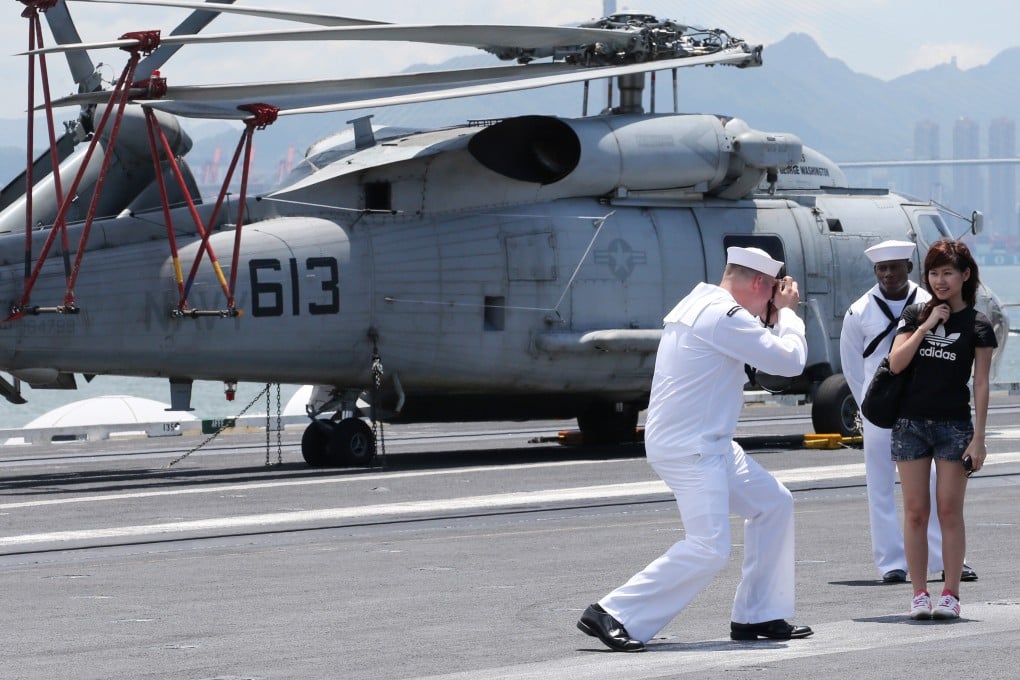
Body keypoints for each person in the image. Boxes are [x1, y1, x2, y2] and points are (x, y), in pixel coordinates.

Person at [577, 246, 812, 652]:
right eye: (772, 290)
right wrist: (788, 312)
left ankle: (757, 614)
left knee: (774, 503)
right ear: (759, 282)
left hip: (711, 443)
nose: (772, 299)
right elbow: (790, 362)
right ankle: (613, 613)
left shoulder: (704, 302)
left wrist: (771, 318)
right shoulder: (724, 315)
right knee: (708, 546)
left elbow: (762, 364)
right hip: (691, 448)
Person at [839, 240, 978, 584]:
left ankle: (943, 560)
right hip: (881, 410)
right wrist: (870, 408)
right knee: (881, 485)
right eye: (881, 269)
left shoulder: (930, 303)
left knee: (933, 487)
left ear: (909, 269)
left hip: (924, 407)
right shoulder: (859, 311)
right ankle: (891, 563)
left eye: (895, 267)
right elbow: (853, 367)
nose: (888, 274)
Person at [887, 239, 995, 620]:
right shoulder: (916, 314)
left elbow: (981, 384)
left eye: (948, 272)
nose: (940, 280)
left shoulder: (979, 324)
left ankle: (950, 592)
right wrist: (928, 324)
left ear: (966, 275)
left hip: (954, 427)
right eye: (933, 272)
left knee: (950, 510)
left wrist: (979, 438)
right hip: (910, 425)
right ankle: (919, 594)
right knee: (915, 511)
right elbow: (896, 363)